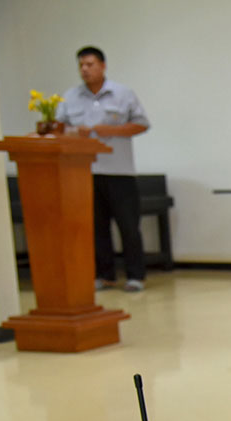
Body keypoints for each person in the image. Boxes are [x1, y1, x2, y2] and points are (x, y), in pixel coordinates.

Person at [56, 46, 150, 292]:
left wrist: (108, 130)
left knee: (128, 226)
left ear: (103, 66)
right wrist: (75, 132)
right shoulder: (70, 97)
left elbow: (142, 124)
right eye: (81, 65)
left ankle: (135, 276)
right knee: (97, 227)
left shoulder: (122, 93)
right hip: (84, 172)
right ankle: (105, 275)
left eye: (90, 64)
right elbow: (58, 129)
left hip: (119, 171)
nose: (85, 69)